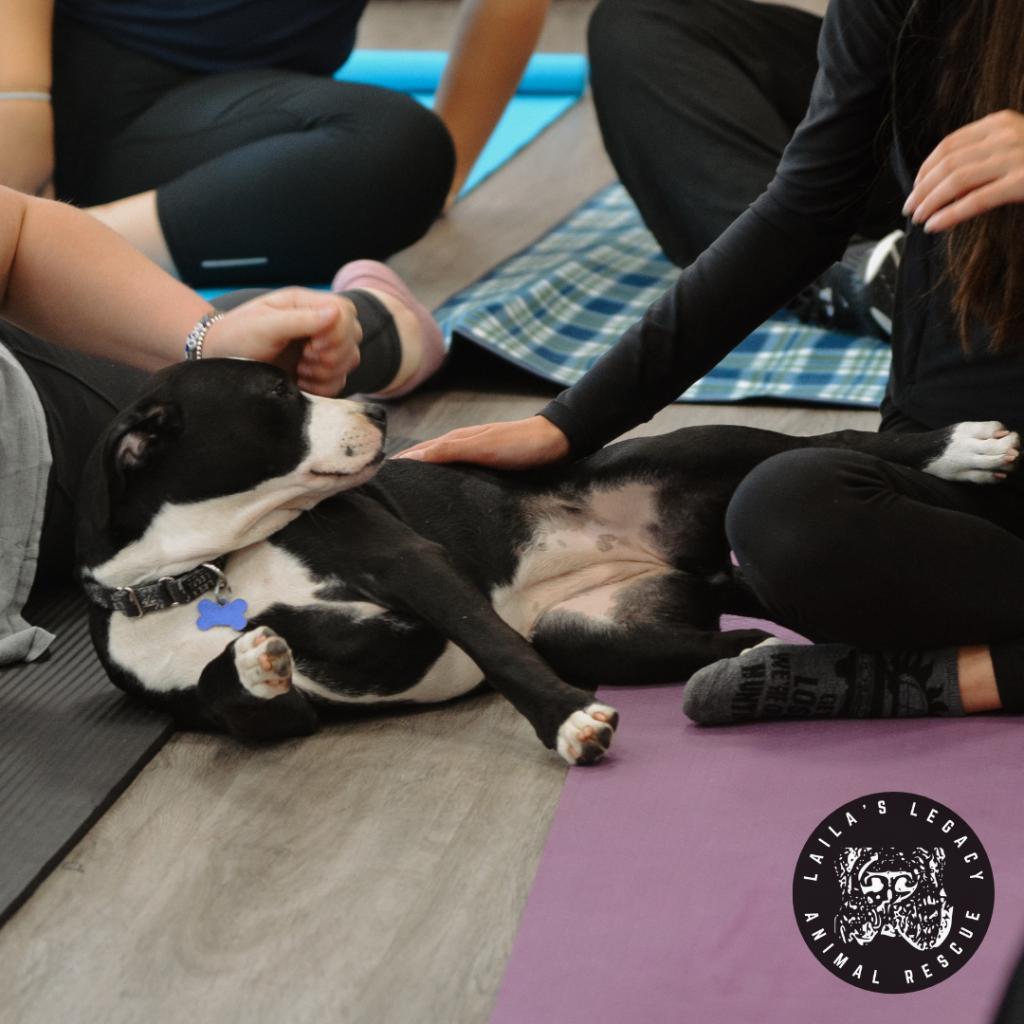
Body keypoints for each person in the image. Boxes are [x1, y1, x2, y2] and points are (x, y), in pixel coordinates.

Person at [395, 0, 1024, 725]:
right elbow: (803, 210)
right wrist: (569, 423)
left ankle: (955, 678)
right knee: (786, 510)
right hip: (977, 471)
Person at [0, 184, 438, 664]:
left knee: (395, 160)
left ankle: (384, 322)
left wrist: (210, 339)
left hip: (32, 430)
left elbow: (16, 230)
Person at [0, 0, 549, 286]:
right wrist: (20, 109)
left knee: (400, 148)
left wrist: (449, 172)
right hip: (65, 89)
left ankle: (52, 242)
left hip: (232, 111)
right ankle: (34, 241)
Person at [587, 0, 907, 339]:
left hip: (960, 136)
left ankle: (911, 281)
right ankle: (843, 276)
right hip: (905, 100)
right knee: (634, 30)